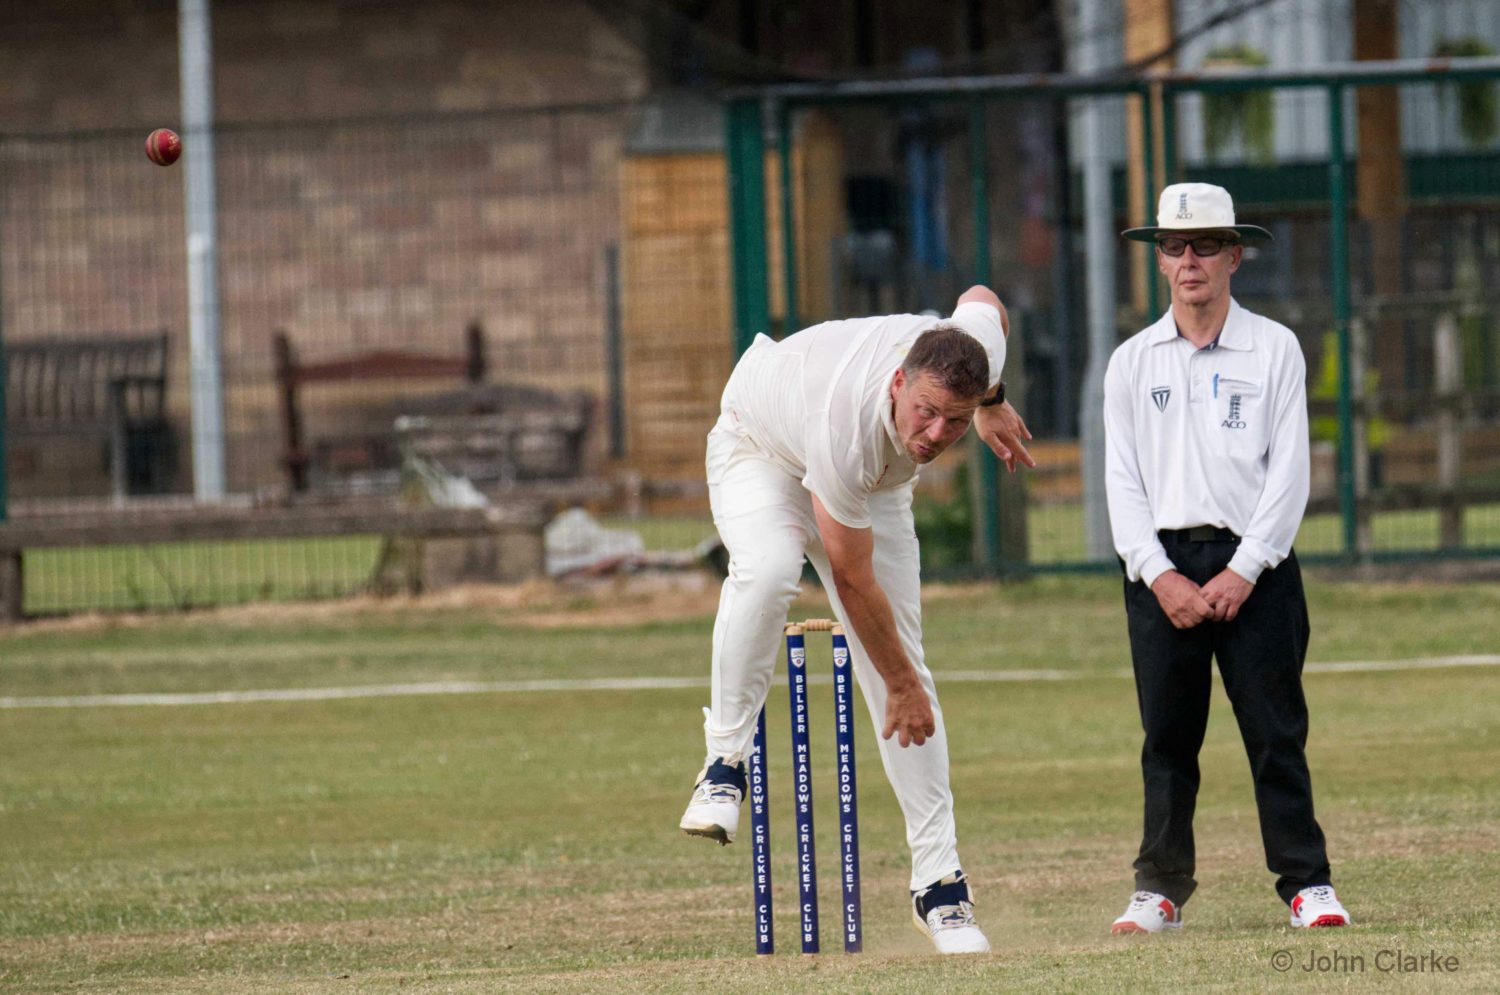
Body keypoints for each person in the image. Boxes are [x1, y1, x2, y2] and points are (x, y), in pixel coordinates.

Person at [678, 286, 1033, 954]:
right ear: (898, 383)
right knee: (772, 569)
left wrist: (990, 403)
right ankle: (724, 760)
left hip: (874, 483)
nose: (936, 435)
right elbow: (849, 576)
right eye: (927, 412)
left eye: (954, 421)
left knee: (907, 668)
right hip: (761, 447)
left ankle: (939, 886)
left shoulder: (975, 350)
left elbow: (983, 298)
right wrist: (896, 683)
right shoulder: (846, 423)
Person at [1103, 183, 1351, 934]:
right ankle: (1160, 889)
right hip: (1163, 568)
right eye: (1174, 247)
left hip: (1258, 566)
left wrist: (1246, 567)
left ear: (1234, 256)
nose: (1189, 261)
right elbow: (1122, 482)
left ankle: (1307, 885)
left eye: (1206, 245)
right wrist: (1159, 574)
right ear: (1159, 261)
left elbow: (1290, 474)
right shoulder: (1131, 361)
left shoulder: (1274, 348)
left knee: (1276, 732)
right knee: (1167, 738)